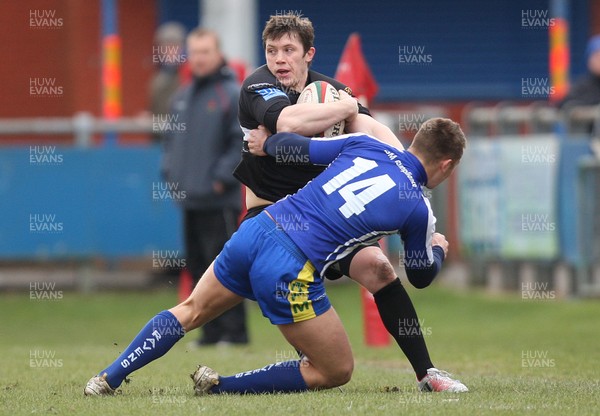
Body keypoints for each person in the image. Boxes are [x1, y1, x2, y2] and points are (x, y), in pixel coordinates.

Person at [83, 118, 467, 396]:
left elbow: (302, 151)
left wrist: (267, 142)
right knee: (336, 370)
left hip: (258, 228)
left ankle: (108, 377)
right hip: (290, 267)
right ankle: (222, 388)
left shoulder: (369, 146)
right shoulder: (416, 207)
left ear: (415, 140)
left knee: (191, 309)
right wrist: (437, 249)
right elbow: (420, 276)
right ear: (446, 165)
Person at [233, 13, 465, 391]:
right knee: (240, 289)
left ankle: (428, 373)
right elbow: (289, 123)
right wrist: (343, 109)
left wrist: (408, 176)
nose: (279, 59)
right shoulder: (258, 86)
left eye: (289, 50)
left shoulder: (333, 90)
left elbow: (375, 135)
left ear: (309, 54)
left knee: (379, 268)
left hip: (325, 214)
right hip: (271, 213)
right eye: (272, 51)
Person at [161, 28, 248, 346]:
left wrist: (219, 178)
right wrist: (170, 173)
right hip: (190, 200)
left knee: (226, 268)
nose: (198, 58)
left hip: (219, 200)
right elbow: (170, 143)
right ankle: (210, 334)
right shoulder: (182, 96)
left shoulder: (231, 92)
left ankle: (234, 334)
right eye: (194, 52)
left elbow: (239, 141)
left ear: (218, 53)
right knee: (198, 269)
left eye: (205, 52)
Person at [149, 22, 186, 144]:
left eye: (173, 46)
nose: (169, 51)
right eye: (165, 47)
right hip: (161, 141)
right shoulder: (157, 79)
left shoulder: (190, 75)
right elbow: (155, 110)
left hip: (186, 142)